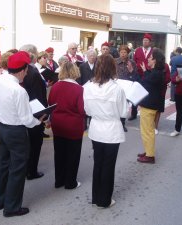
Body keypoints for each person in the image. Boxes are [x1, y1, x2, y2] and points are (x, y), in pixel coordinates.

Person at [0, 51, 46, 217]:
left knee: (3, 165)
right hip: (16, 131)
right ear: (22, 70)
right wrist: (40, 121)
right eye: (27, 70)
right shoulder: (19, 90)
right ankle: (12, 207)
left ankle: (1, 200)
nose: (27, 73)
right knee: (17, 169)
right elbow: (26, 120)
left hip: (2, 127)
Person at [83, 54, 128, 208]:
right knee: (108, 165)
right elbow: (124, 113)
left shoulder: (88, 87)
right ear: (112, 68)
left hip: (96, 128)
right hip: (111, 130)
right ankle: (105, 199)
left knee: (98, 164)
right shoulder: (117, 89)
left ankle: (97, 197)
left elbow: (87, 110)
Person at [48, 61, 85, 189]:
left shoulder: (55, 87)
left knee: (59, 153)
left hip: (58, 124)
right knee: (73, 155)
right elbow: (81, 109)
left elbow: (50, 103)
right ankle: (70, 182)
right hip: (73, 125)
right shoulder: (79, 89)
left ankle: (59, 180)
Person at [19, 44, 48, 180]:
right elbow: (38, 96)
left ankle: (27, 169)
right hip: (35, 113)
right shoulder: (32, 72)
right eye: (36, 53)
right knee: (35, 144)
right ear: (31, 54)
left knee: (28, 144)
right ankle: (31, 171)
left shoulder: (25, 70)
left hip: (26, 111)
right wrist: (44, 115)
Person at [137, 48, 165, 164]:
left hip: (149, 106)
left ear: (154, 60)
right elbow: (149, 78)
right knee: (147, 130)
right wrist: (145, 71)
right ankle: (148, 151)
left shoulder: (156, 74)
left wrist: (133, 73)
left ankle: (150, 156)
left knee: (147, 131)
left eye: (150, 57)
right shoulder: (156, 72)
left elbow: (143, 83)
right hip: (150, 105)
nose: (148, 59)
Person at [131, 33, 153, 121]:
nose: (145, 42)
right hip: (139, 75)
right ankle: (133, 113)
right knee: (135, 94)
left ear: (150, 42)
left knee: (148, 95)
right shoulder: (138, 50)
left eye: (147, 41)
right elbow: (134, 61)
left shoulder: (153, 51)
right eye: (144, 41)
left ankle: (147, 114)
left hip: (149, 76)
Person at [116, 45, 138, 132]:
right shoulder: (115, 61)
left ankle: (122, 123)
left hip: (128, 86)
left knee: (124, 106)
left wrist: (131, 71)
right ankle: (117, 123)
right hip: (117, 86)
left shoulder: (132, 62)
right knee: (117, 105)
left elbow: (135, 74)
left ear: (128, 53)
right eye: (121, 52)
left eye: (125, 52)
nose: (123, 54)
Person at [154, 63, 171, 135]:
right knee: (151, 109)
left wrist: (159, 80)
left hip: (161, 90)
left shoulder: (165, 65)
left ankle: (155, 126)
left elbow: (168, 78)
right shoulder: (150, 64)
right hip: (151, 90)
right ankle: (150, 125)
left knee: (158, 109)